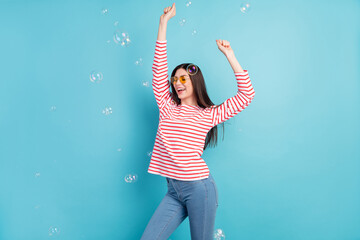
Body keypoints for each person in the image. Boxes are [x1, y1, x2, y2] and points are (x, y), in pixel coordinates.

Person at [141, 3, 255, 239]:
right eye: (175, 79)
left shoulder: (209, 114)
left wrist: (230, 55)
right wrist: (163, 23)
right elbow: (159, 69)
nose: (177, 83)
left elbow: (246, 95)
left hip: (199, 188)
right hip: (173, 190)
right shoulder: (166, 106)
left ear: (195, 81)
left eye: (184, 78)